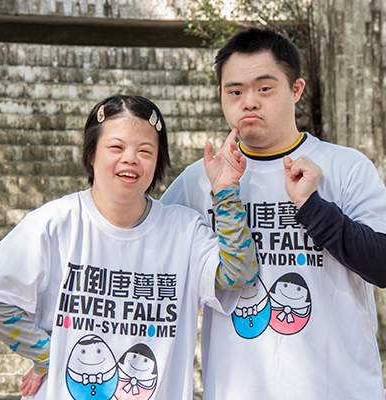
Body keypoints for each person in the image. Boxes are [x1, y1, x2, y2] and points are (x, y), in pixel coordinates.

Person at [161, 27, 386, 400]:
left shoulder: (345, 167)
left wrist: (313, 207)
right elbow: (148, 259)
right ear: (221, 95)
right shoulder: (199, 181)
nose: (249, 102)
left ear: (296, 89)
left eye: (264, 88)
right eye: (235, 92)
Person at [0, 94, 259, 400]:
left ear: (158, 162)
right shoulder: (54, 223)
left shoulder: (184, 230)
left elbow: (240, 273)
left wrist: (225, 194)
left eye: (145, 151)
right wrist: (46, 354)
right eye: (116, 147)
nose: (130, 159)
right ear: (91, 155)